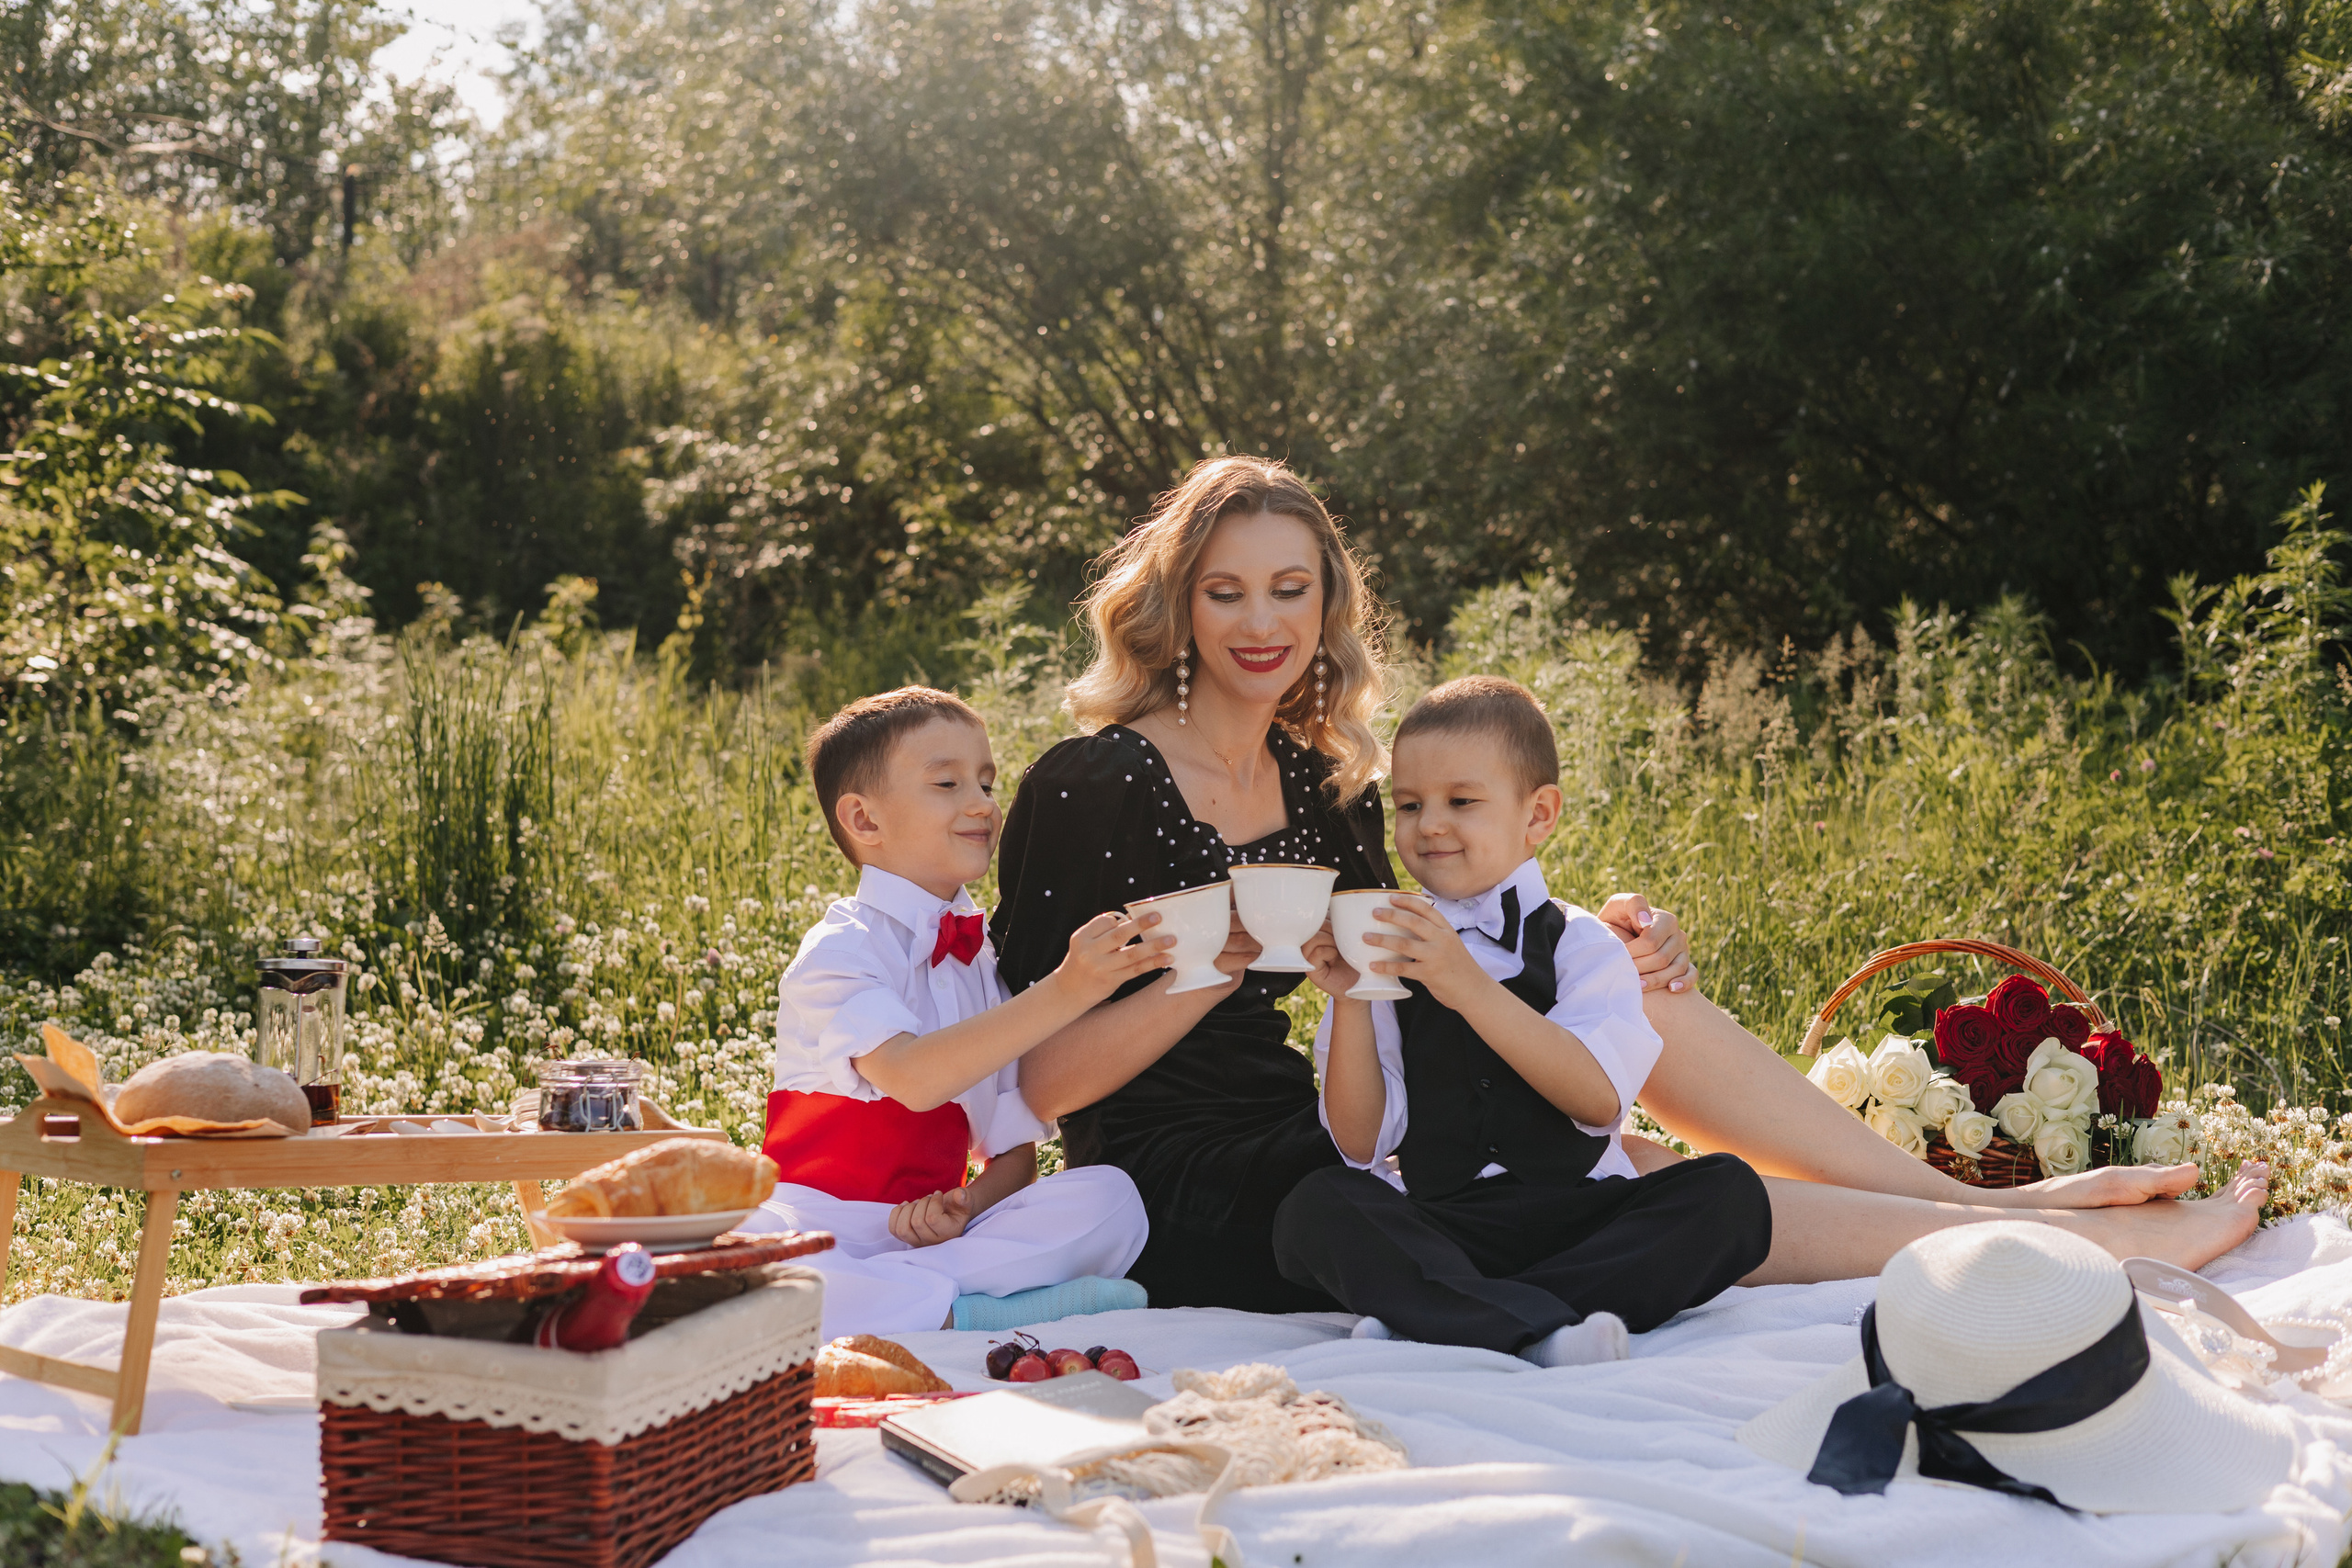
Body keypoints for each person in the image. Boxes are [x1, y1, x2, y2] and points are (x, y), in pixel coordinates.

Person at [994, 456, 2271, 1319]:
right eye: (1226, 591)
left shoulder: (1323, 780)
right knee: (1615, 1174)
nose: (1260, 622)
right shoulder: (1092, 782)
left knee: (1610, 995)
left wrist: (1582, 949)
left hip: (1334, 1113)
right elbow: (1040, 1086)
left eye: (1291, 588)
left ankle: (1970, 1203)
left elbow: (1426, 964)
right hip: (1191, 1182)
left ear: (1328, 605)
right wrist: (1217, 961)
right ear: (1177, 601)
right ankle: (2052, 1244)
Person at [1272, 677, 1771, 1364]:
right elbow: (1360, 1144)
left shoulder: (1583, 942)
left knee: (1729, 1194)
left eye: (1462, 801)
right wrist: (1353, 994)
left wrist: (1466, 984)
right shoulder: (1389, 951)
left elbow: (1597, 1100)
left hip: (1580, 1218)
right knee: (1317, 1206)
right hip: (1446, 1223)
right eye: (1410, 804)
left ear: (1538, 816)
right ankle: (1536, 1325)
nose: (1429, 824)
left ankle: (1447, 1313)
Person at [741, 686, 1163, 1337]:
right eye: (947, 782)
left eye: (988, 783)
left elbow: (1014, 1155)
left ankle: (917, 1304)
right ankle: (962, 1310)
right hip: (822, 1226)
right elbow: (913, 1075)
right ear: (864, 819)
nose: (983, 804)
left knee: (1111, 1198)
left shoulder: (976, 961)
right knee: (743, 1264)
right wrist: (1066, 990)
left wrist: (967, 1204)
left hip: (937, 1239)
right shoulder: (840, 948)